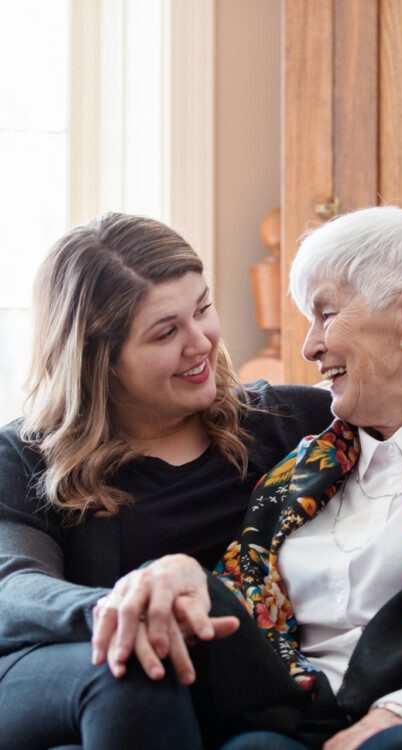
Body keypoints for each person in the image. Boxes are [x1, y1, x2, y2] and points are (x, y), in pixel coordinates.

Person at [100, 206, 402, 750]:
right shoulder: (302, 469)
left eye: (326, 314)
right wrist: (173, 574)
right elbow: (241, 601)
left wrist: (391, 719)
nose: (309, 346)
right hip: (312, 718)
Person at [0, 212, 334, 750]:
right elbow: (12, 589)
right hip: (59, 672)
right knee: (134, 665)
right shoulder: (27, 455)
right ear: (98, 359)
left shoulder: (287, 423)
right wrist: (120, 609)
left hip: (233, 688)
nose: (200, 342)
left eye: (202, 308)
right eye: (165, 332)